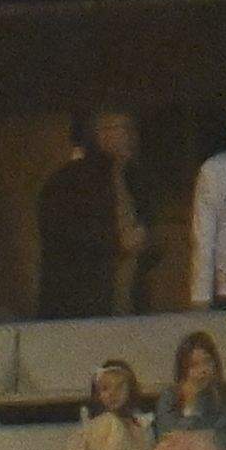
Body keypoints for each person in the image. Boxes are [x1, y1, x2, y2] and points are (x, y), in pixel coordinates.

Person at [34, 104, 155, 320]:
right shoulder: (69, 182)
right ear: (100, 134)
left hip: (126, 304)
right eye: (121, 128)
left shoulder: (135, 179)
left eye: (131, 129)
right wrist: (117, 243)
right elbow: (65, 238)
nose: (129, 136)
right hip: (83, 308)